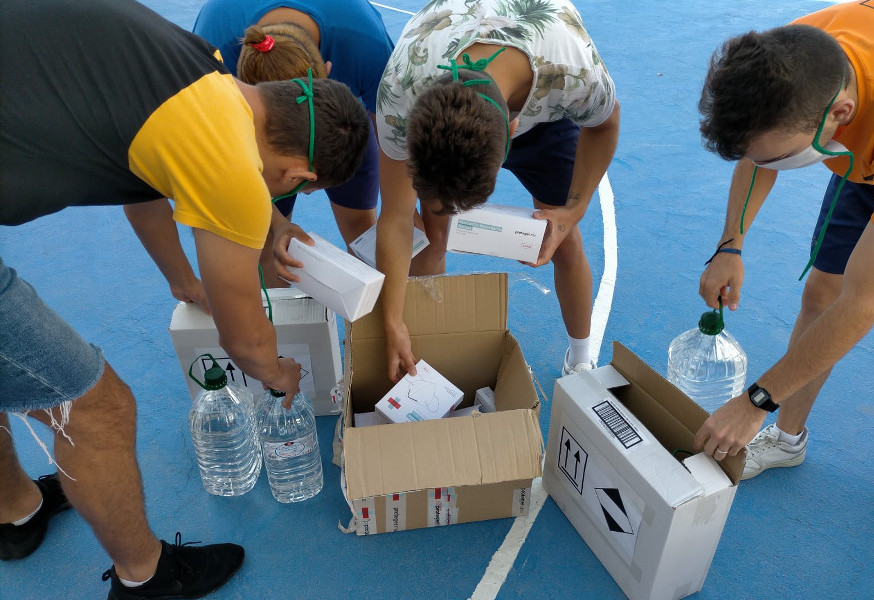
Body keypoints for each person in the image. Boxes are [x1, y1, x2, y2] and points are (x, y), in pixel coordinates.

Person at [0, 1, 368, 599]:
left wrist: (185, 280)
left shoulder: (207, 70)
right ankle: (145, 578)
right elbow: (244, 339)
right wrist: (280, 372)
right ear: (300, 177)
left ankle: (13, 512)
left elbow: (144, 187)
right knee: (96, 408)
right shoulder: (231, 168)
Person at [692, 0, 874, 479]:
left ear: (840, 114)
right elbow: (758, 150)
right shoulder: (790, 54)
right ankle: (788, 441)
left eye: (780, 156)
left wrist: (756, 401)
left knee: (859, 297)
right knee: (821, 294)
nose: (768, 164)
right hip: (866, 160)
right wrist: (730, 245)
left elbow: (863, 303)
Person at [373, 0, 620, 382]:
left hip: (545, 112)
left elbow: (605, 124)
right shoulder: (400, 91)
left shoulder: (571, 68)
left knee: (564, 243)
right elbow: (395, 217)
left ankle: (581, 357)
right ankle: (427, 343)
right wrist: (391, 321)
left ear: (513, 127)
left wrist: (573, 211)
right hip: (447, 91)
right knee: (432, 236)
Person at [179, 0, 395, 288]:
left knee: (363, 236)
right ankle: (283, 320)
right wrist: (276, 223)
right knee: (266, 244)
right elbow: (218, 163)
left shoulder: (367, 46)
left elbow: (392, 135)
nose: (305, 189)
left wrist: (400, 210)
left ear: (328, 72)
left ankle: (364, 326)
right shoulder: (210, 60)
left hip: (343, 117)